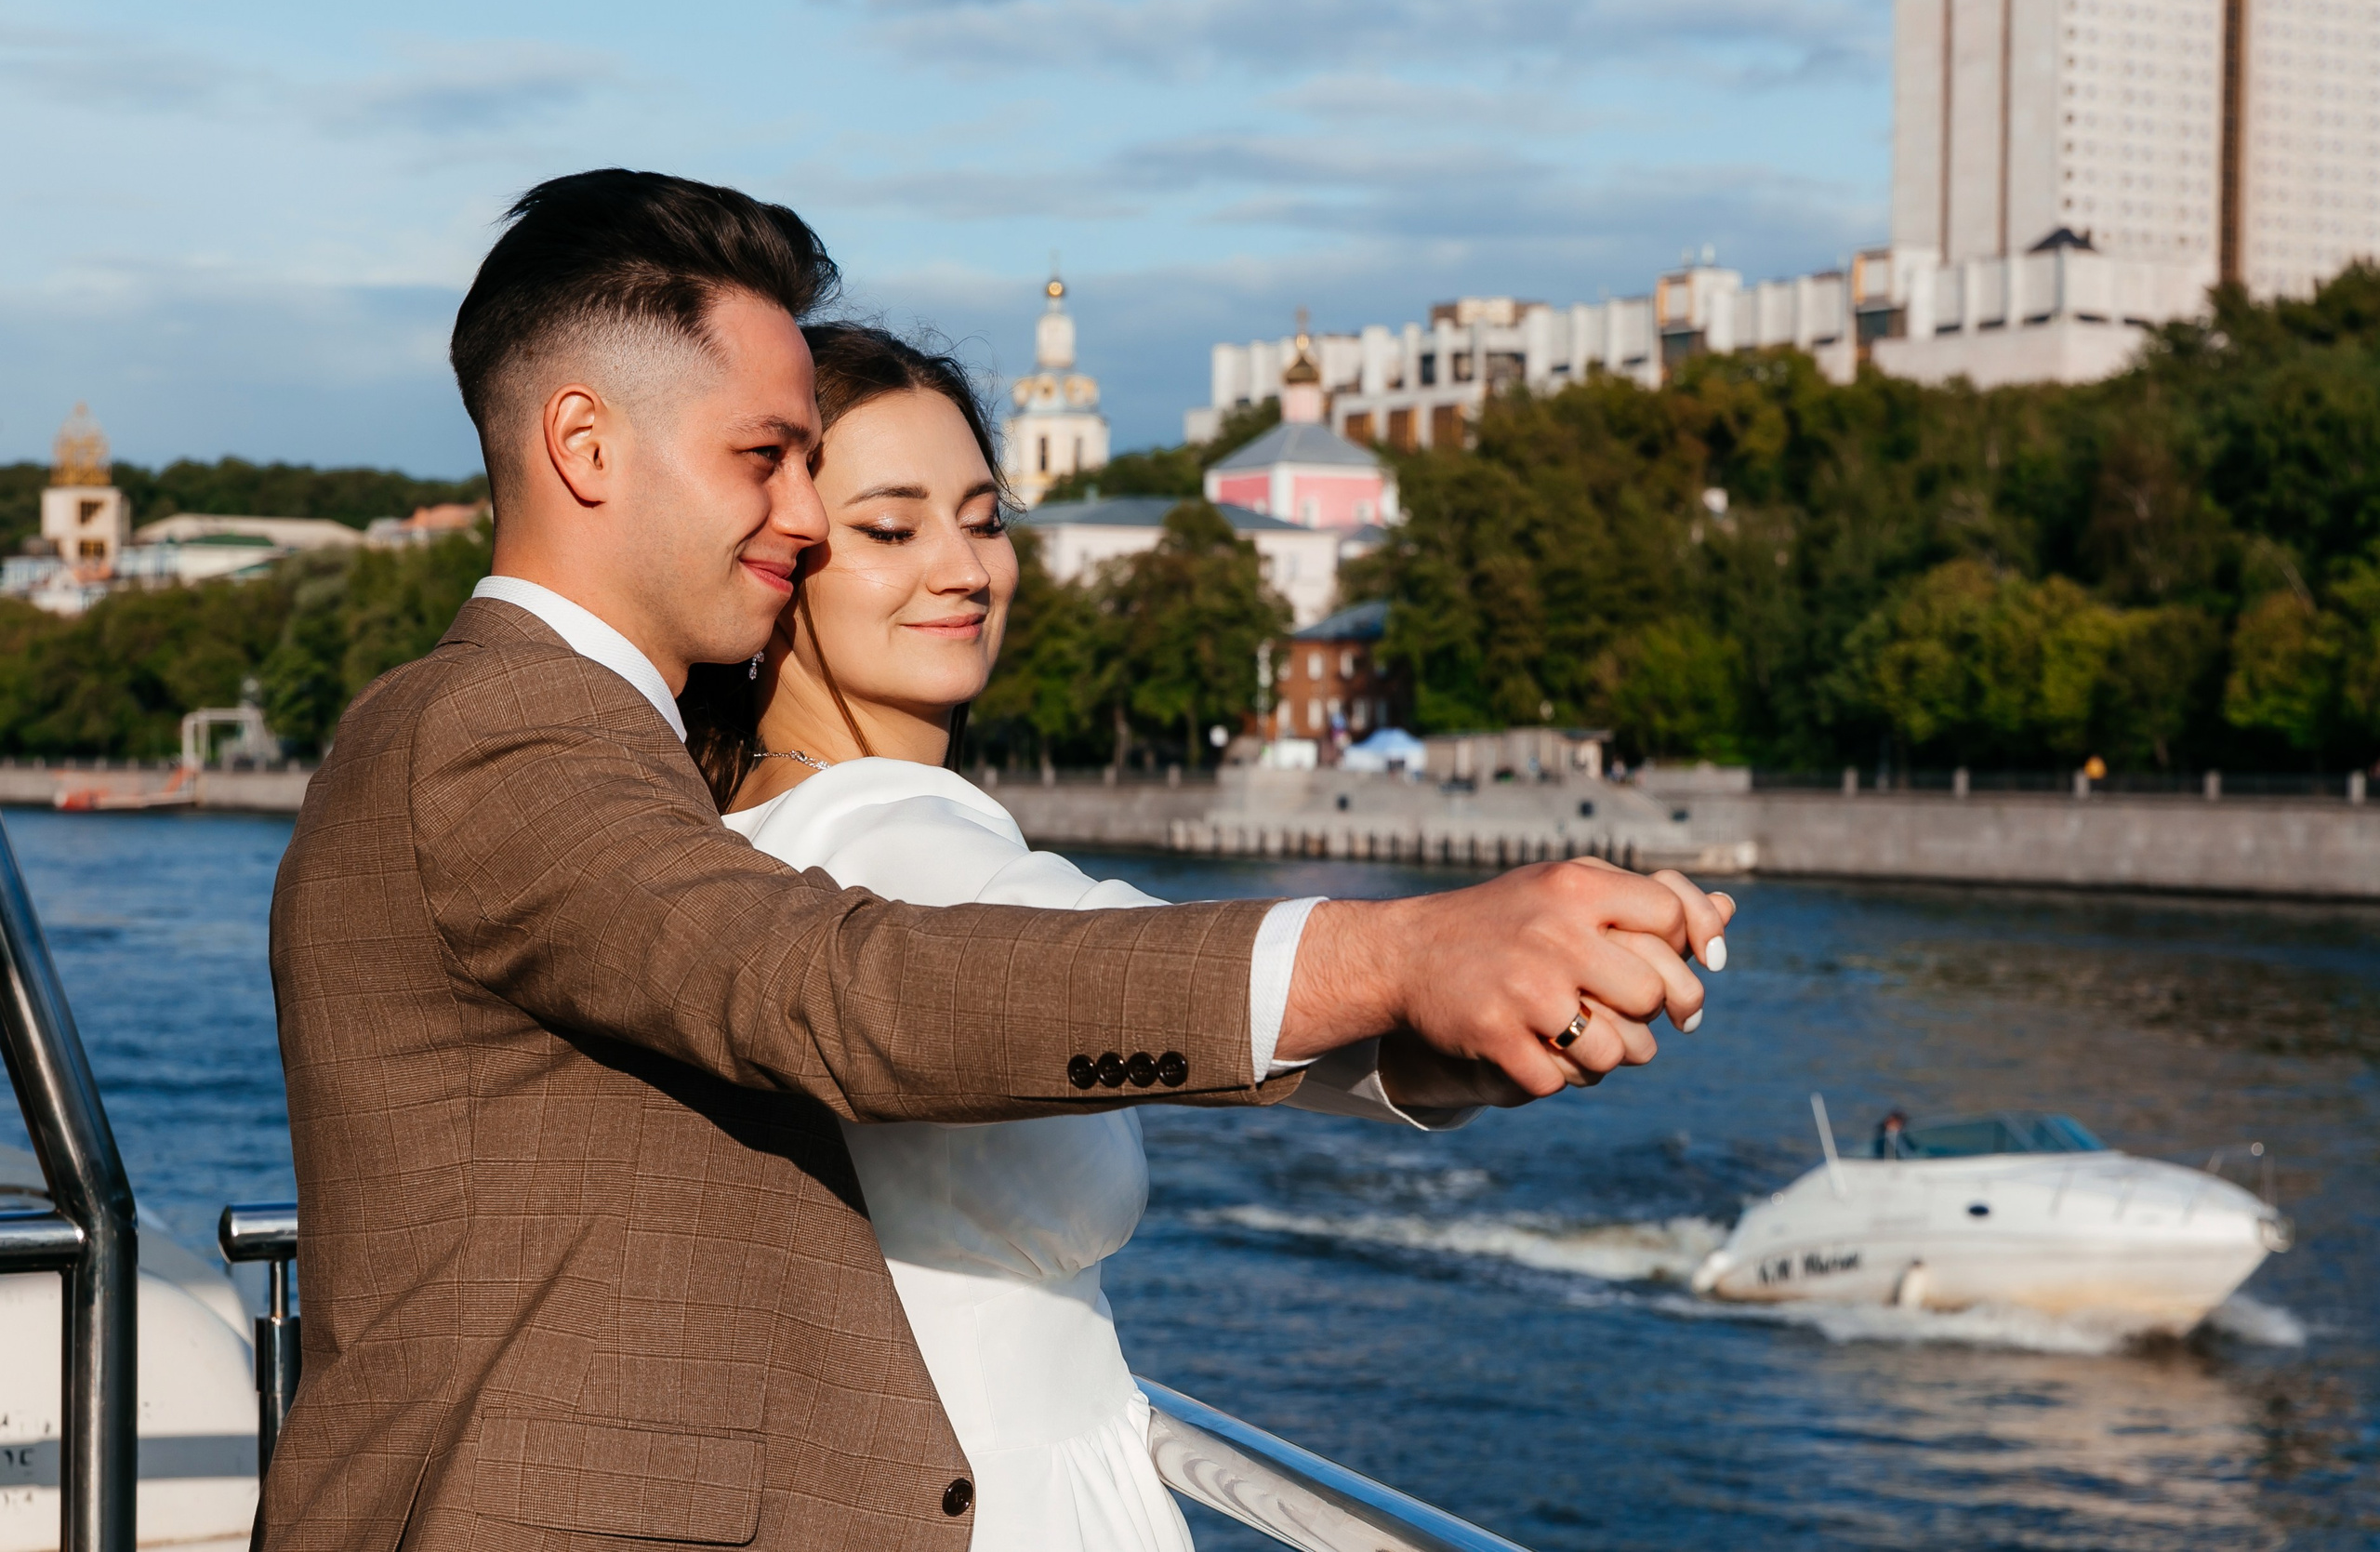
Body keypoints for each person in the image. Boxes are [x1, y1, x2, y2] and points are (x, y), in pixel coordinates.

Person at [266, 168, 1732, 1551]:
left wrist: (1419, 1022)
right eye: (766, 461)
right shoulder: (496, 727)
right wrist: (1395, 958)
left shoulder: (618, 764)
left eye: (974, 520)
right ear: (585, 445)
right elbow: (830, 990)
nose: (800, 515)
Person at [678, 323, 1506, 1551]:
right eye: (894, 529)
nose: (968, 569)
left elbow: (1079, 1020)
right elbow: (1099, 963)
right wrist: (1422, 954)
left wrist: (1424, 1055)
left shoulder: (738, 832)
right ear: (773, 560)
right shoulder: (895, 836)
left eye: (985, 517)